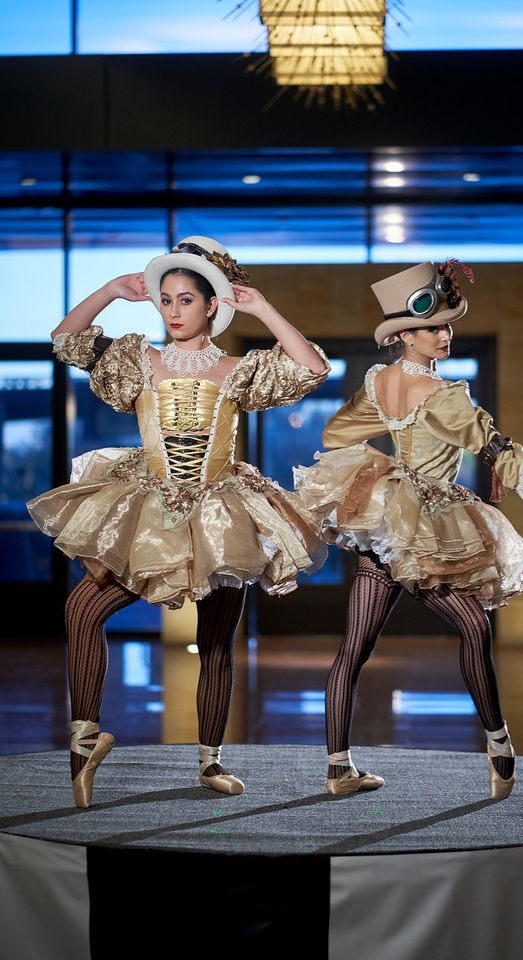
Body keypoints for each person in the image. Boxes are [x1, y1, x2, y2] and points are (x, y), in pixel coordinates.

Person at [27, 235, 329, 808]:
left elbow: (311, 368)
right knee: (81, 608)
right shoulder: (139, 359)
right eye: (165, 300)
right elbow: (67, 339)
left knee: (215, 643)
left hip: (222, 513)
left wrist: (262, 308)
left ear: (212, 304)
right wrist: (113, 292)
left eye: (185, 300)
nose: (172, 311)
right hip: (150, 506)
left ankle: (211, 760)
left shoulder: (239, 369)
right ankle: (85, 741)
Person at [294, 259, 523, 799]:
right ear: (404, 335)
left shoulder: (380, 381)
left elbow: (336, 431)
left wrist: (383, 474)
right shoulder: (443, 396)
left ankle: (338, 767)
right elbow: (501, 452)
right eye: (433, 327)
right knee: (474, 627)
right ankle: (500, 747)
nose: (445, 335)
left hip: (384, 529)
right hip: (423, 531)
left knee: (354, 648)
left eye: (448, 325)